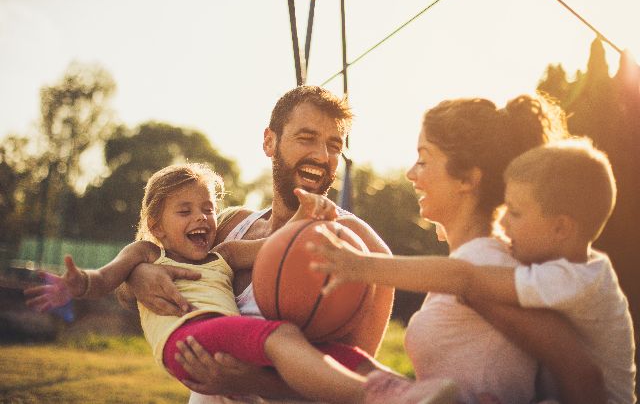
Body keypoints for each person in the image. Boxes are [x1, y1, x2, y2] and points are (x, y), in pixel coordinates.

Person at [24, 162, 456, 404]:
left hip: (226, 340)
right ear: (156, 223)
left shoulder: (224, 255)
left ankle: (412, 392)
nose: (202, 219)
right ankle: (377, 397)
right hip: (188, 342)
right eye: (185, 211)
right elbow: (105, 279)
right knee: (282, 335)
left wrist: (314, 213)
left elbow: (278, 245)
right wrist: (77, 284)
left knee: (337, 352)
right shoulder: (145, 254)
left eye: (208, 209)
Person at [290, 95, 607, 404]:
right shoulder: (478, 262)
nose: (411, 174)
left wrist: (355, 264)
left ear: (467, 180)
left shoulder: (484, 270)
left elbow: (580, 374)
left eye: (424, 160)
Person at [114, 86, 396, 403]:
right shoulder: (230, 226)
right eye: (306, 138)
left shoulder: (361, 246)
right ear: (269, 141)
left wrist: (251, 381)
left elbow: (352, 385)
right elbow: (126, 290)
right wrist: (138, 276)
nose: (322, 155)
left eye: (334, 145)